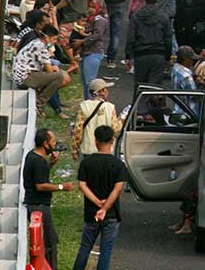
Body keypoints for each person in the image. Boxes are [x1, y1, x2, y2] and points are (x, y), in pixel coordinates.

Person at [72, 125, 127, 270]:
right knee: (106, 251)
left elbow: (82, 185)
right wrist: (104, 207)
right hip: (111, 214)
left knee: (85, 248)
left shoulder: (87, 163)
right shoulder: (118, 165)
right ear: (112, 140)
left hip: (91, 213)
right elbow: (117, 189)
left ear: (96, 141)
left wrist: (96, 202)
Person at [23, 128, 75, 270]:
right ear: (46, 144)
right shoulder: (38, 161)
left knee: (48, 240)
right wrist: (61, 187)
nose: (54, 144)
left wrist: (50, 164)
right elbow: (40, 185)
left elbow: (39, 176)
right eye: (52, 141)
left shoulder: (32, 157)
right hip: (39, 206)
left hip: (35, 205)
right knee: (49, 243)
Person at [13, 25, 71, 114]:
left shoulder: (35, 42)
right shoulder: (40, 46)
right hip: (25, 78)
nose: (55, 42)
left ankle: (40, 97)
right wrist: (54, 68)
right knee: (59, 76)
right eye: (54, 39)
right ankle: (40, 101)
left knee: (60, 75)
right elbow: (50, 71)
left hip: (24, 75)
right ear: (47, 37)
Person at [126, 0, 173, 85]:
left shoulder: (136, 16)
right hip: (158, 55)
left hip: (140, 54)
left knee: (140, 87)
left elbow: (131, 37)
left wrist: (128, 56)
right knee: (153, 89)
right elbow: (168, 39)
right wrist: (168, 58)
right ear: (157, 0)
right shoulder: (163, 17)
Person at [71, 79, 122, 161]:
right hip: (106, 150)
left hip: (88, 150)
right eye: (104, 89)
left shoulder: (84, 106)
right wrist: (121, 120)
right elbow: (115, 129)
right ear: (101, 92)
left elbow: (78, 130)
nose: (106, 91)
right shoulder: (110, 107)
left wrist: (75, 149)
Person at [74, 0, 109, 99]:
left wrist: (82, 42)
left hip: (94, 52)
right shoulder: (91, 18)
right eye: (89, 7)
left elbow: (96, 35)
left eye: (93, 7)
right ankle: (87, 104)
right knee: (85, 82)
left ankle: (92, 105)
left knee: (90, 82)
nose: (90, 9)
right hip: (86, 52)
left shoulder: (101, 20)